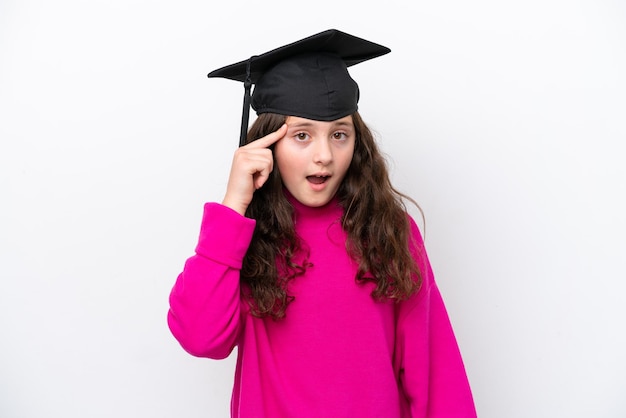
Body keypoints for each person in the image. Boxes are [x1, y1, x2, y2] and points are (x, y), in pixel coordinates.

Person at [167, 29, 476, 418]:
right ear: (266, 145)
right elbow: (200, 337)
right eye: (301, 136)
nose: (324, 155)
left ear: (356, 142)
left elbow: (434, 373)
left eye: (339, 135)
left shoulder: (387, 230)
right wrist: (234, 206)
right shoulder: (245, 236)